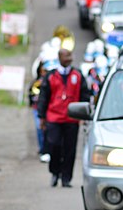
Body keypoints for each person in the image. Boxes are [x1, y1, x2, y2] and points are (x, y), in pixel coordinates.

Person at [38, 48, 90, 187]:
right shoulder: (51, 76)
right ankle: (55, 172)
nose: (69, 58)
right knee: (54, 145)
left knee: (69, 149)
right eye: (66, 56)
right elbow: (44, 97)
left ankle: (66, 178)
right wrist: (41, 117)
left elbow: (84, 94)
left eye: (70, 55)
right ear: (60, 57)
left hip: (71, 118)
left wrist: (84, 114)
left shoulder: (77, 75)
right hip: (54, 118)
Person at [30, 62, 50, 162]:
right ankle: (42, 149)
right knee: (39, 128)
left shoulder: (51, 81)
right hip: (37, 108)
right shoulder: (36, 82)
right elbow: (31, 93)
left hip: (49, 109)